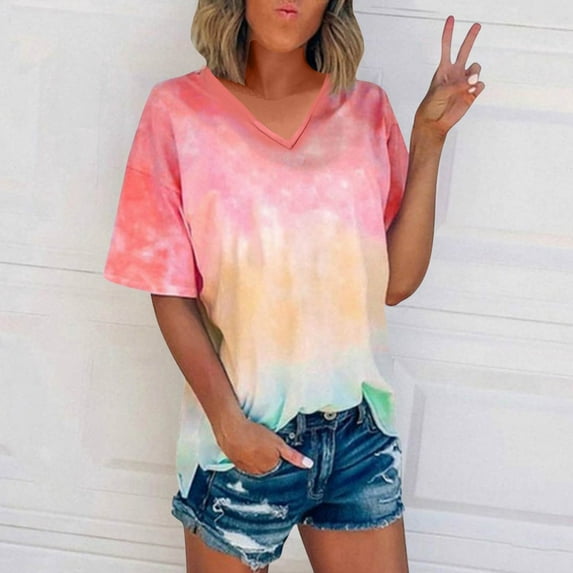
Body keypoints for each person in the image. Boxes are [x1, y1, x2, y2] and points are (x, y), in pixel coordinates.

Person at [103, 0, 484, 571]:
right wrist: (229, 425)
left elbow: (398, 282)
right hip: (242, 439)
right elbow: (168, 290)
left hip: (359, 437)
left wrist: (428, 140)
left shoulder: (366, 109)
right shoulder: (177, 111)